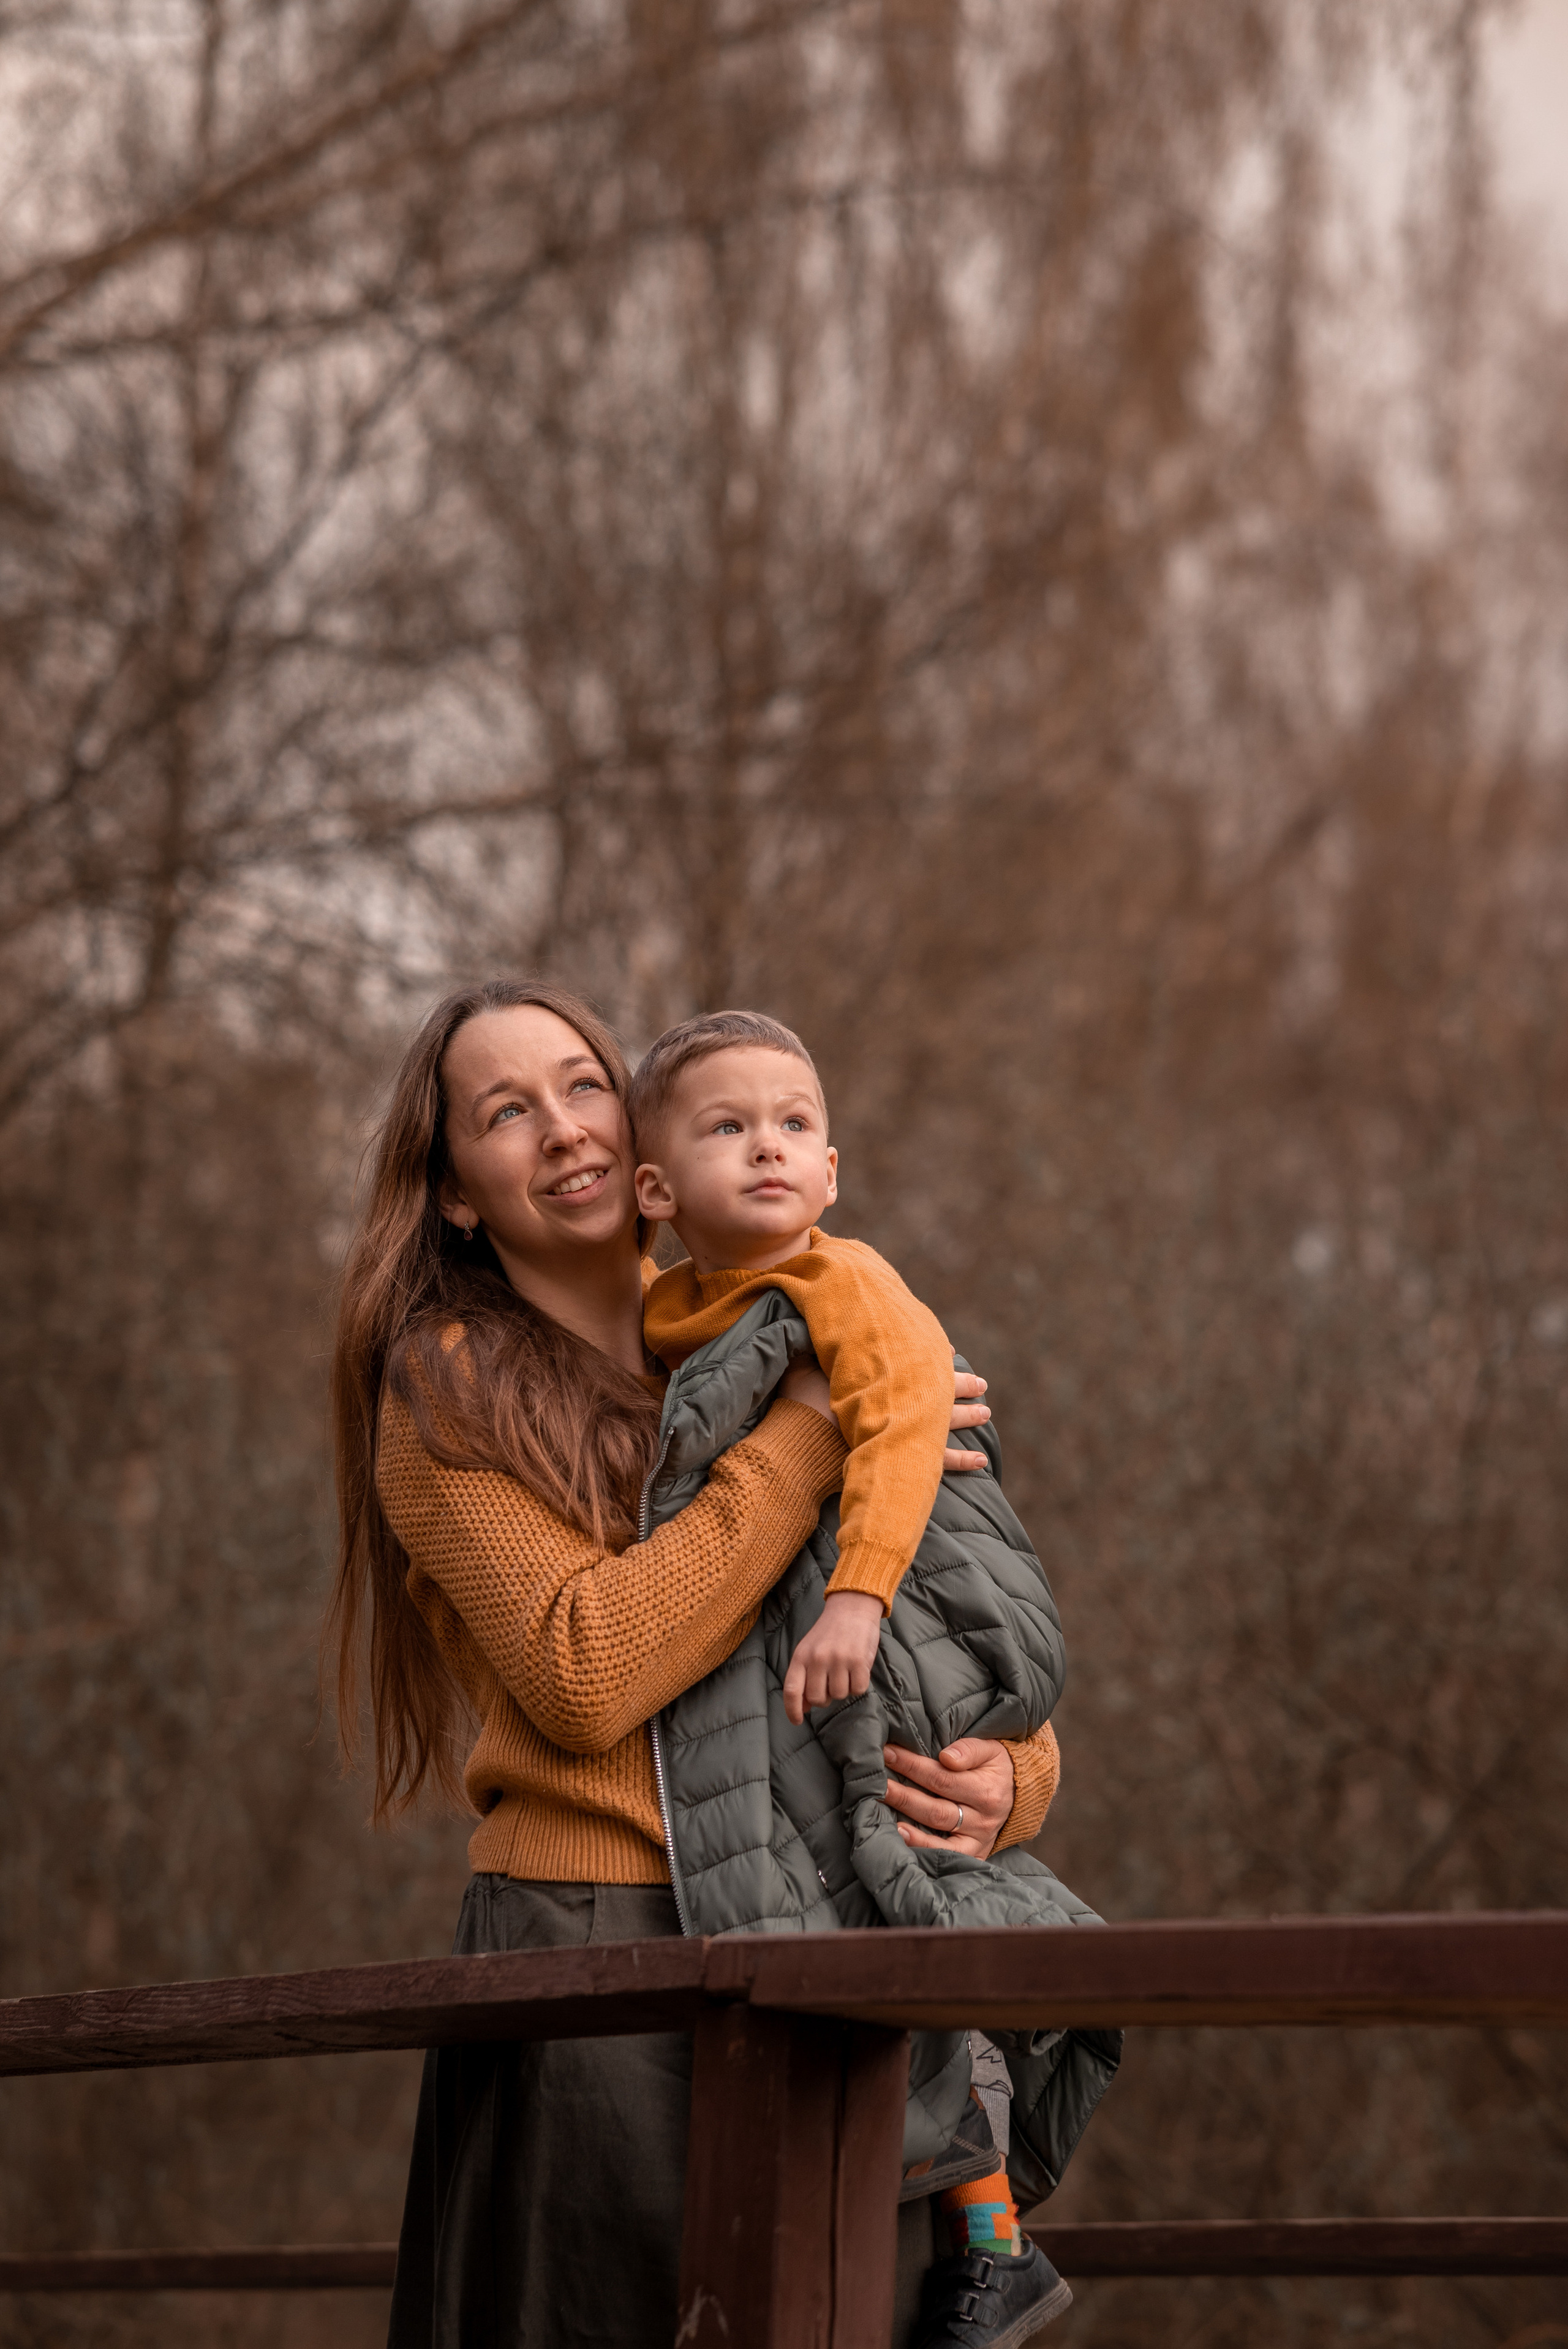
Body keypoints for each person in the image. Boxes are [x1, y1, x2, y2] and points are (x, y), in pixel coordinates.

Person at [328, 977, 1063, 2349]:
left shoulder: (779, 1316)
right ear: (458, 1196)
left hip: (824, 1918)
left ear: (642, 1139)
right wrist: (804, 1436)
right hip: (596, 1957)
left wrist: (1003, 1779)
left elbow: (947, 1611)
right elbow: (585, 1670)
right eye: (505, 1111)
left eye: (581, 1084)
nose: (561, 1129)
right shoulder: (446, 1391)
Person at [631, 1008, 1071, 2340]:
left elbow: (897, 1435)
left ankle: (993, 2240)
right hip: (819, 1614)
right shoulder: (671, 1313)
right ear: (658, 1192)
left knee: (908, 1882)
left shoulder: (848, 1282)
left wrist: (859, 1601)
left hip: (893, 1593)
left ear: (830, 1171)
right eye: (726, 1128)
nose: (767, 1147)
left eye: (794, 1125)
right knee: (866, 1885)